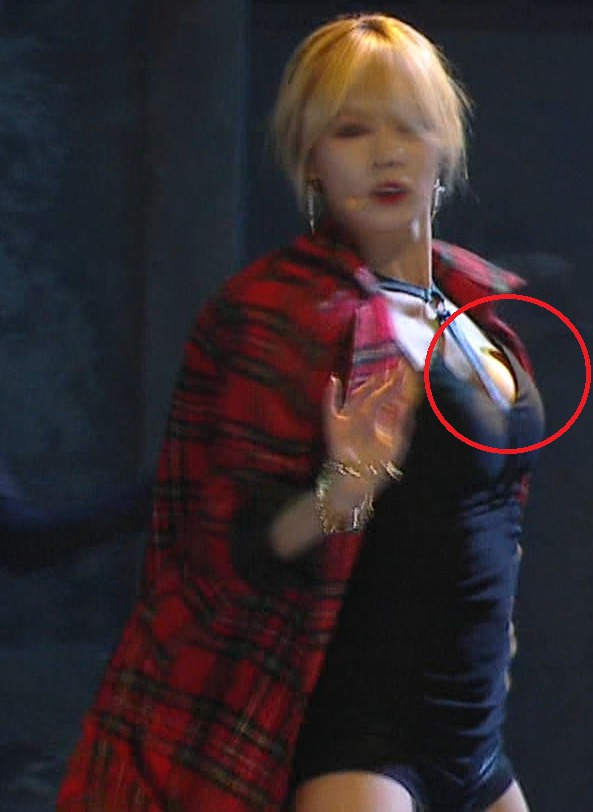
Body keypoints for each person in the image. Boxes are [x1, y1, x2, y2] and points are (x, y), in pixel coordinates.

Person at [57, 13, 544, 811]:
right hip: (360, 739)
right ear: (310, 159)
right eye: (352, 131)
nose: (385, 153)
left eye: (408, 126)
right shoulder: (274, 315)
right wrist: (341, 491)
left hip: (475, 736)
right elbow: (224, 550)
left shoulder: (473, 309)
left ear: (444, 143)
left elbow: (488, 509)